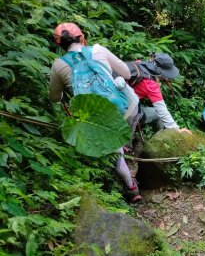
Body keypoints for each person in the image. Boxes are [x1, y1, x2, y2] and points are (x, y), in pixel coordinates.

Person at [49, 22, 142, 202]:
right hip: (127, 107)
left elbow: (54, 98)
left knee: (115, 153)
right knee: (131, 104)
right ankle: (125, 142)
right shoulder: (99, 50)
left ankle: (131, 188)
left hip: (100, 119)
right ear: (82, 37)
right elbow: (128, 74)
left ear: (59, 45)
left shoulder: (58, 65)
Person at [123, 53, 191, 135]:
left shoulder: (139, 63)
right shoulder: (151, 85)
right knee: (157, 115)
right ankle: (127, 145)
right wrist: (175, 129)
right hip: (124, 112)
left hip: (114, 101)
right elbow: (161, 109)